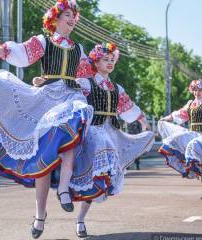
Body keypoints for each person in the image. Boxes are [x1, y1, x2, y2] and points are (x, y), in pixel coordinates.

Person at [0, 1, 104, 238]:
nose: (72, 19)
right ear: (55, 19)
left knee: (73, 132)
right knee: (43, 160)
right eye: (67, 14)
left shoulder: (78, 49)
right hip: (47, 99)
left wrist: (101, 74)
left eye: (73, 16)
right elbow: (19, 53)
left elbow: (88, 76)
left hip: (69, 98)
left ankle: (64, 190)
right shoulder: (44, 42)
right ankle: (40, 214)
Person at [35, 43, 154, 238]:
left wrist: (144, 123)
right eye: (105, 60)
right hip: (91, 131)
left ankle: (81, 219)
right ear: (95, 62)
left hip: (110, 131)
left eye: (111, 60)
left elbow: (129, 107)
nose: (110, 63)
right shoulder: (86, 83)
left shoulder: (117, 88)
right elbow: (65, 86)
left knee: (100, 178)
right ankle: (56, 197)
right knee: (100, 146)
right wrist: (44, 82)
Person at [158, 80, 202, 179]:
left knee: (199, 160)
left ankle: (200, 174)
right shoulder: (191, 104)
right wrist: (166, 118)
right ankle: (190, 171)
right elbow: (180, 113)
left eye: (200, 90)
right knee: (174, 141)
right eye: (195, 90)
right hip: (192, 134)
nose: (197, 93)